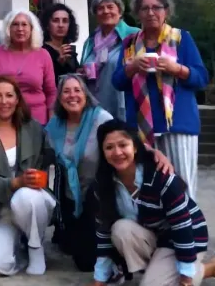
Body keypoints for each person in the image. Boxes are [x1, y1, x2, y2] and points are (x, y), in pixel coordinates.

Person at [89, 120, 215, 286]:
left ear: (134, 147)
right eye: (109, 147)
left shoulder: (160, 175)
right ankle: (163, 273)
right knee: (120, 229)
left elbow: (182, 226)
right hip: (154, 236)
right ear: (103, 153)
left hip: (187, 235)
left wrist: (186, 276)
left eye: (123, 145)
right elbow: (104, 233)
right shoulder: (103, 185)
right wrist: (99, 280)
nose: (117, 152)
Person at [45, 74, 172, 270]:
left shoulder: (99, 118)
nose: (72, 95)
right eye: (66, 91)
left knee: (87, 261)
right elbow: (43, 155)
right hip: (72, 196)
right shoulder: (54, 126)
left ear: (86, 95)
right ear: (59, 98)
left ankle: (123, 256)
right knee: (75, 253)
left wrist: (155, 153)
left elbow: (125, 137)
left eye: (77, 90)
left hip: (99, 193)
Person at [113, 0, 208, 199]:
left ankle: (189, 231)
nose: (150, 13)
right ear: (137, 14)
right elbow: (118, 81)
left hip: (178, 124)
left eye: (156, 7)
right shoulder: (129, 44)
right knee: (148, 187)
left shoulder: (182, 38)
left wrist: (177, 69)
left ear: (166, 11)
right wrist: (132, 66)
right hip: (140, 126)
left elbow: (201, 78)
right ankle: (157, 232)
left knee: (182, 186)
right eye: (144, 8)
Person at [0, 77, 55, 276]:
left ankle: (35, 247)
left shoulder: (33, 128)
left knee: (26, 196)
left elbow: (53, 154)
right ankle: (19, 250)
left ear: (17, 99)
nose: (4, 101)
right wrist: (16, 182)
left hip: (33, 204)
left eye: (9, 95)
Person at [0, 9, 57, 126]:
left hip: (37, 121)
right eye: (15, 24)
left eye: (24, 24)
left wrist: (52, 121)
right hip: (3, 119)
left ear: (32, 29)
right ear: (8, 29)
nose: (20, 29)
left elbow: (51, 91)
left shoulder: (43, 55)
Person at [81, 0, 138, 121]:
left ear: (120, 11)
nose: (106, 11)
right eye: (100, 8)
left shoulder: (133, 36)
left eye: (110, 7)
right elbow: (84, 65)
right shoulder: (90, 41)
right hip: (94, 107)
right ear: (95, 14)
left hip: (124, 106)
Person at [41, 2, 81, 81]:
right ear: (47, 25)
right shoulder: (42, 50)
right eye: (55, 20)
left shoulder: (69, 49)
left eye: (65, 21)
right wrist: (58, 63)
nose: (61, 25)